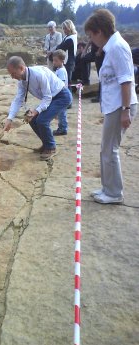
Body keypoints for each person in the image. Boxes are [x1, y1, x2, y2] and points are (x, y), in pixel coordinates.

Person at [84, 9, 138, 204]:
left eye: (91, 36)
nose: (91, 40)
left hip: (120, 106)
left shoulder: (117, 47)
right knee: (106, 149)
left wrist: (125, 110)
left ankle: (114, 193)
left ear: (99, 31)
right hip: (114, 106)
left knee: (110, 150)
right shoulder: (111, 46)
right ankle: (108, 188)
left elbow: (126, 81)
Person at [4, 56, 72, 161]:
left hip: (62, 96)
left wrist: (36, 111)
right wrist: (9, 118)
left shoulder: (38, 74)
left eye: (13, 73)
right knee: (31, 119)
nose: (12, 77)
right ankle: (46, 143)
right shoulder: (22, 81)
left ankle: (51, 147)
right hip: (51, 98)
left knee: (42, 120)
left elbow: (47, 97)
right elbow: (18, 100)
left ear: (21, 68)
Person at [56, 19, 77, 91]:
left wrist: (58, 47)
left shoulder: (70, 38)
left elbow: (61, 48)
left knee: (68, 82)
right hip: (67, 61)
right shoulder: (67, 37)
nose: (64, 30)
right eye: (63, 28)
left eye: (65, 28)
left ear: (69, 28)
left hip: (68, 62)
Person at [52, 49, 68, 136]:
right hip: (61, 95)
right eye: (53, 60)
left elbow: (61, 84)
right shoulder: (59, 69)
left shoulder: (61, 71)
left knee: (62, 113)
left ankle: (63, 129)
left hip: (62, 95)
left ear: (62, 61)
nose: (54, 62)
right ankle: (62, 127)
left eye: (56, 60)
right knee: (61, 113)